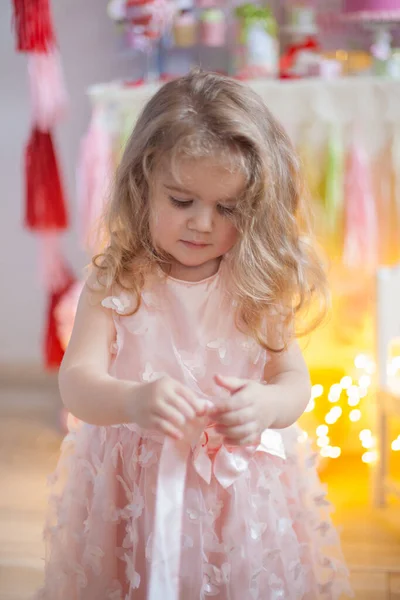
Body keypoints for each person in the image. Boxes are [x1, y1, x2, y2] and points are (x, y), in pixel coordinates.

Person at [36, 70, 352, 600]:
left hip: (237, 490)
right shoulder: (118, 278)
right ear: (143, 183)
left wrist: (267, 404)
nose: (202, 224)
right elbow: (77, 383)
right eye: (182, 201)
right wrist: (133, 399)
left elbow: (294, 381)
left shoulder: (257, 282)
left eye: (227, 208)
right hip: (133, 486)